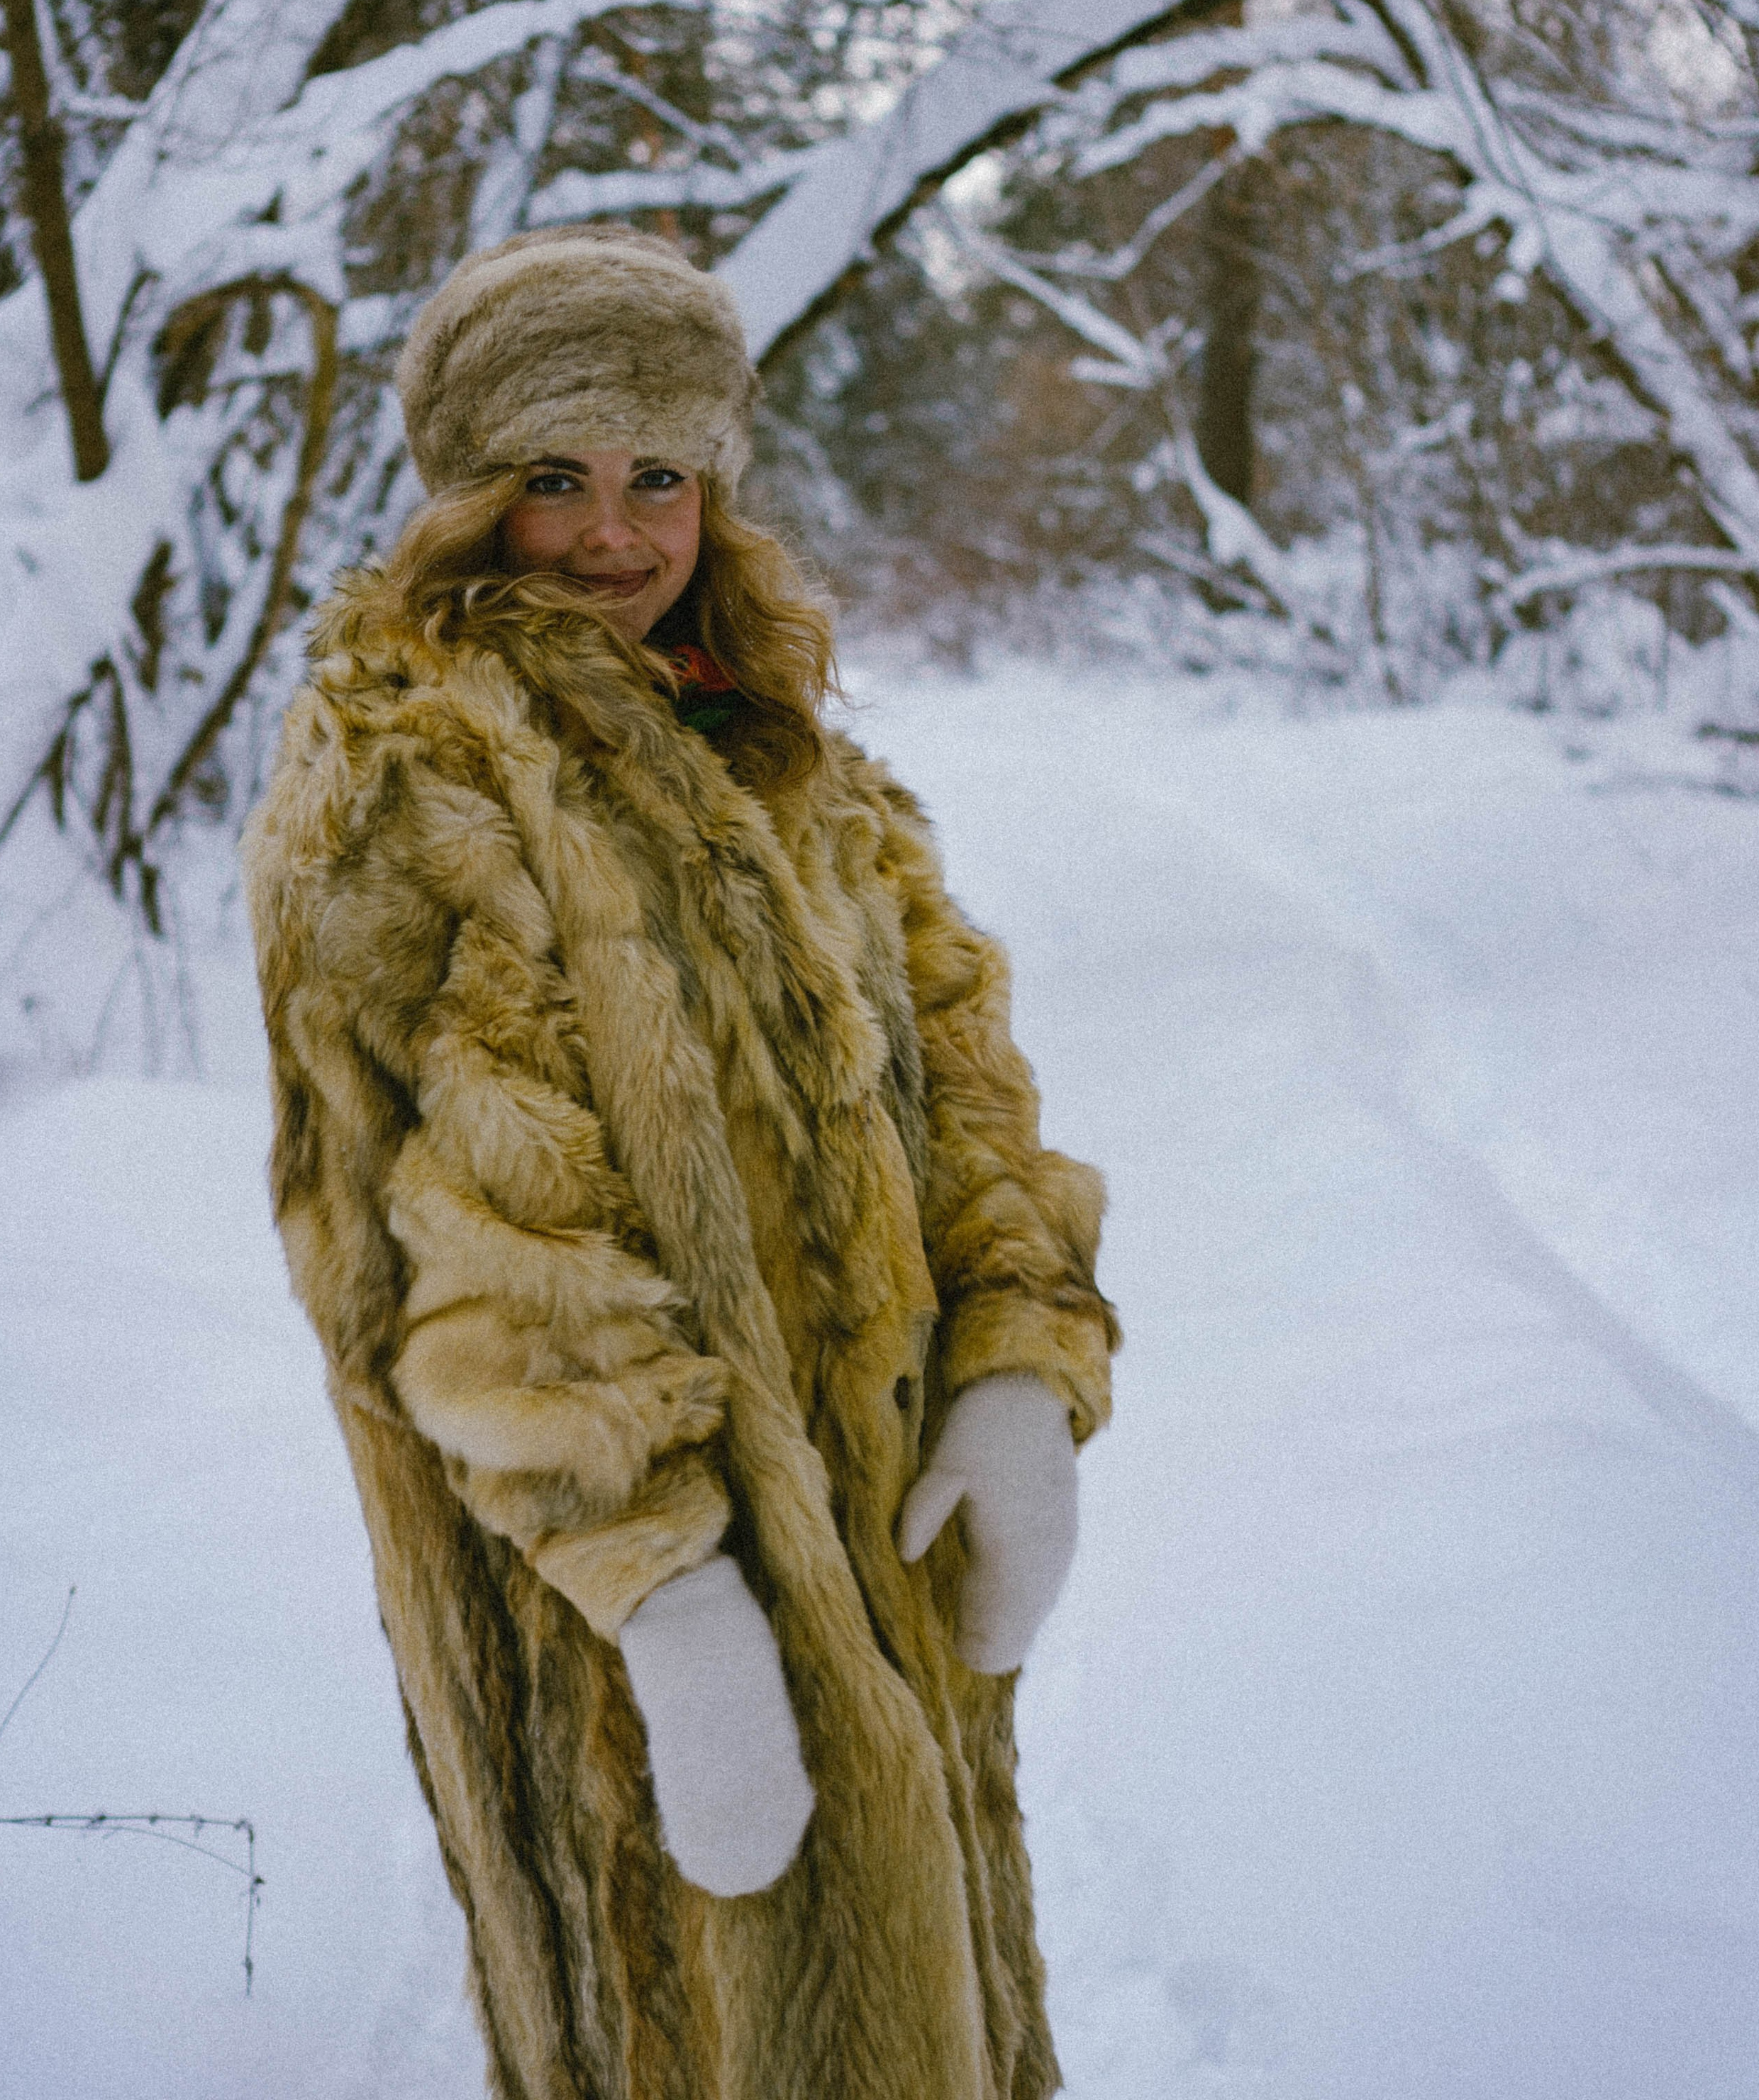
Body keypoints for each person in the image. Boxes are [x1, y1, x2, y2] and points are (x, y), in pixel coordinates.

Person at [243, 224, 1119, 2100]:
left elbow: (962, 1072)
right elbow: (453, 1214)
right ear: (470, 494)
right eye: (554, 477)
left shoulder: (783, 753)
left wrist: (1021, 1370)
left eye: (660, 475)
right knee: (690, 2024)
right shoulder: (409, 769)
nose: (612, 532)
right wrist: (663, 1583)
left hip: (871, 1537)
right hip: (613, 1610)